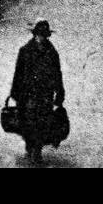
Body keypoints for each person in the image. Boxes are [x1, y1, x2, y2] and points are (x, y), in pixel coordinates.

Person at [9, 19, 65, 165]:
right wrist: (15, 92)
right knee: (27, 122)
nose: (40, 38)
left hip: (44, 94)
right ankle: (30, 145)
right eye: (39, 35)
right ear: (35, 35)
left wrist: (59, 93)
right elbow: (18, 73)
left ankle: (37, 150)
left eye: (43, 35)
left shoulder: (52, 53)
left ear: (46, 36)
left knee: (42, 122)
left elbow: (57, 74)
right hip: (27, 94)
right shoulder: (25, 51)